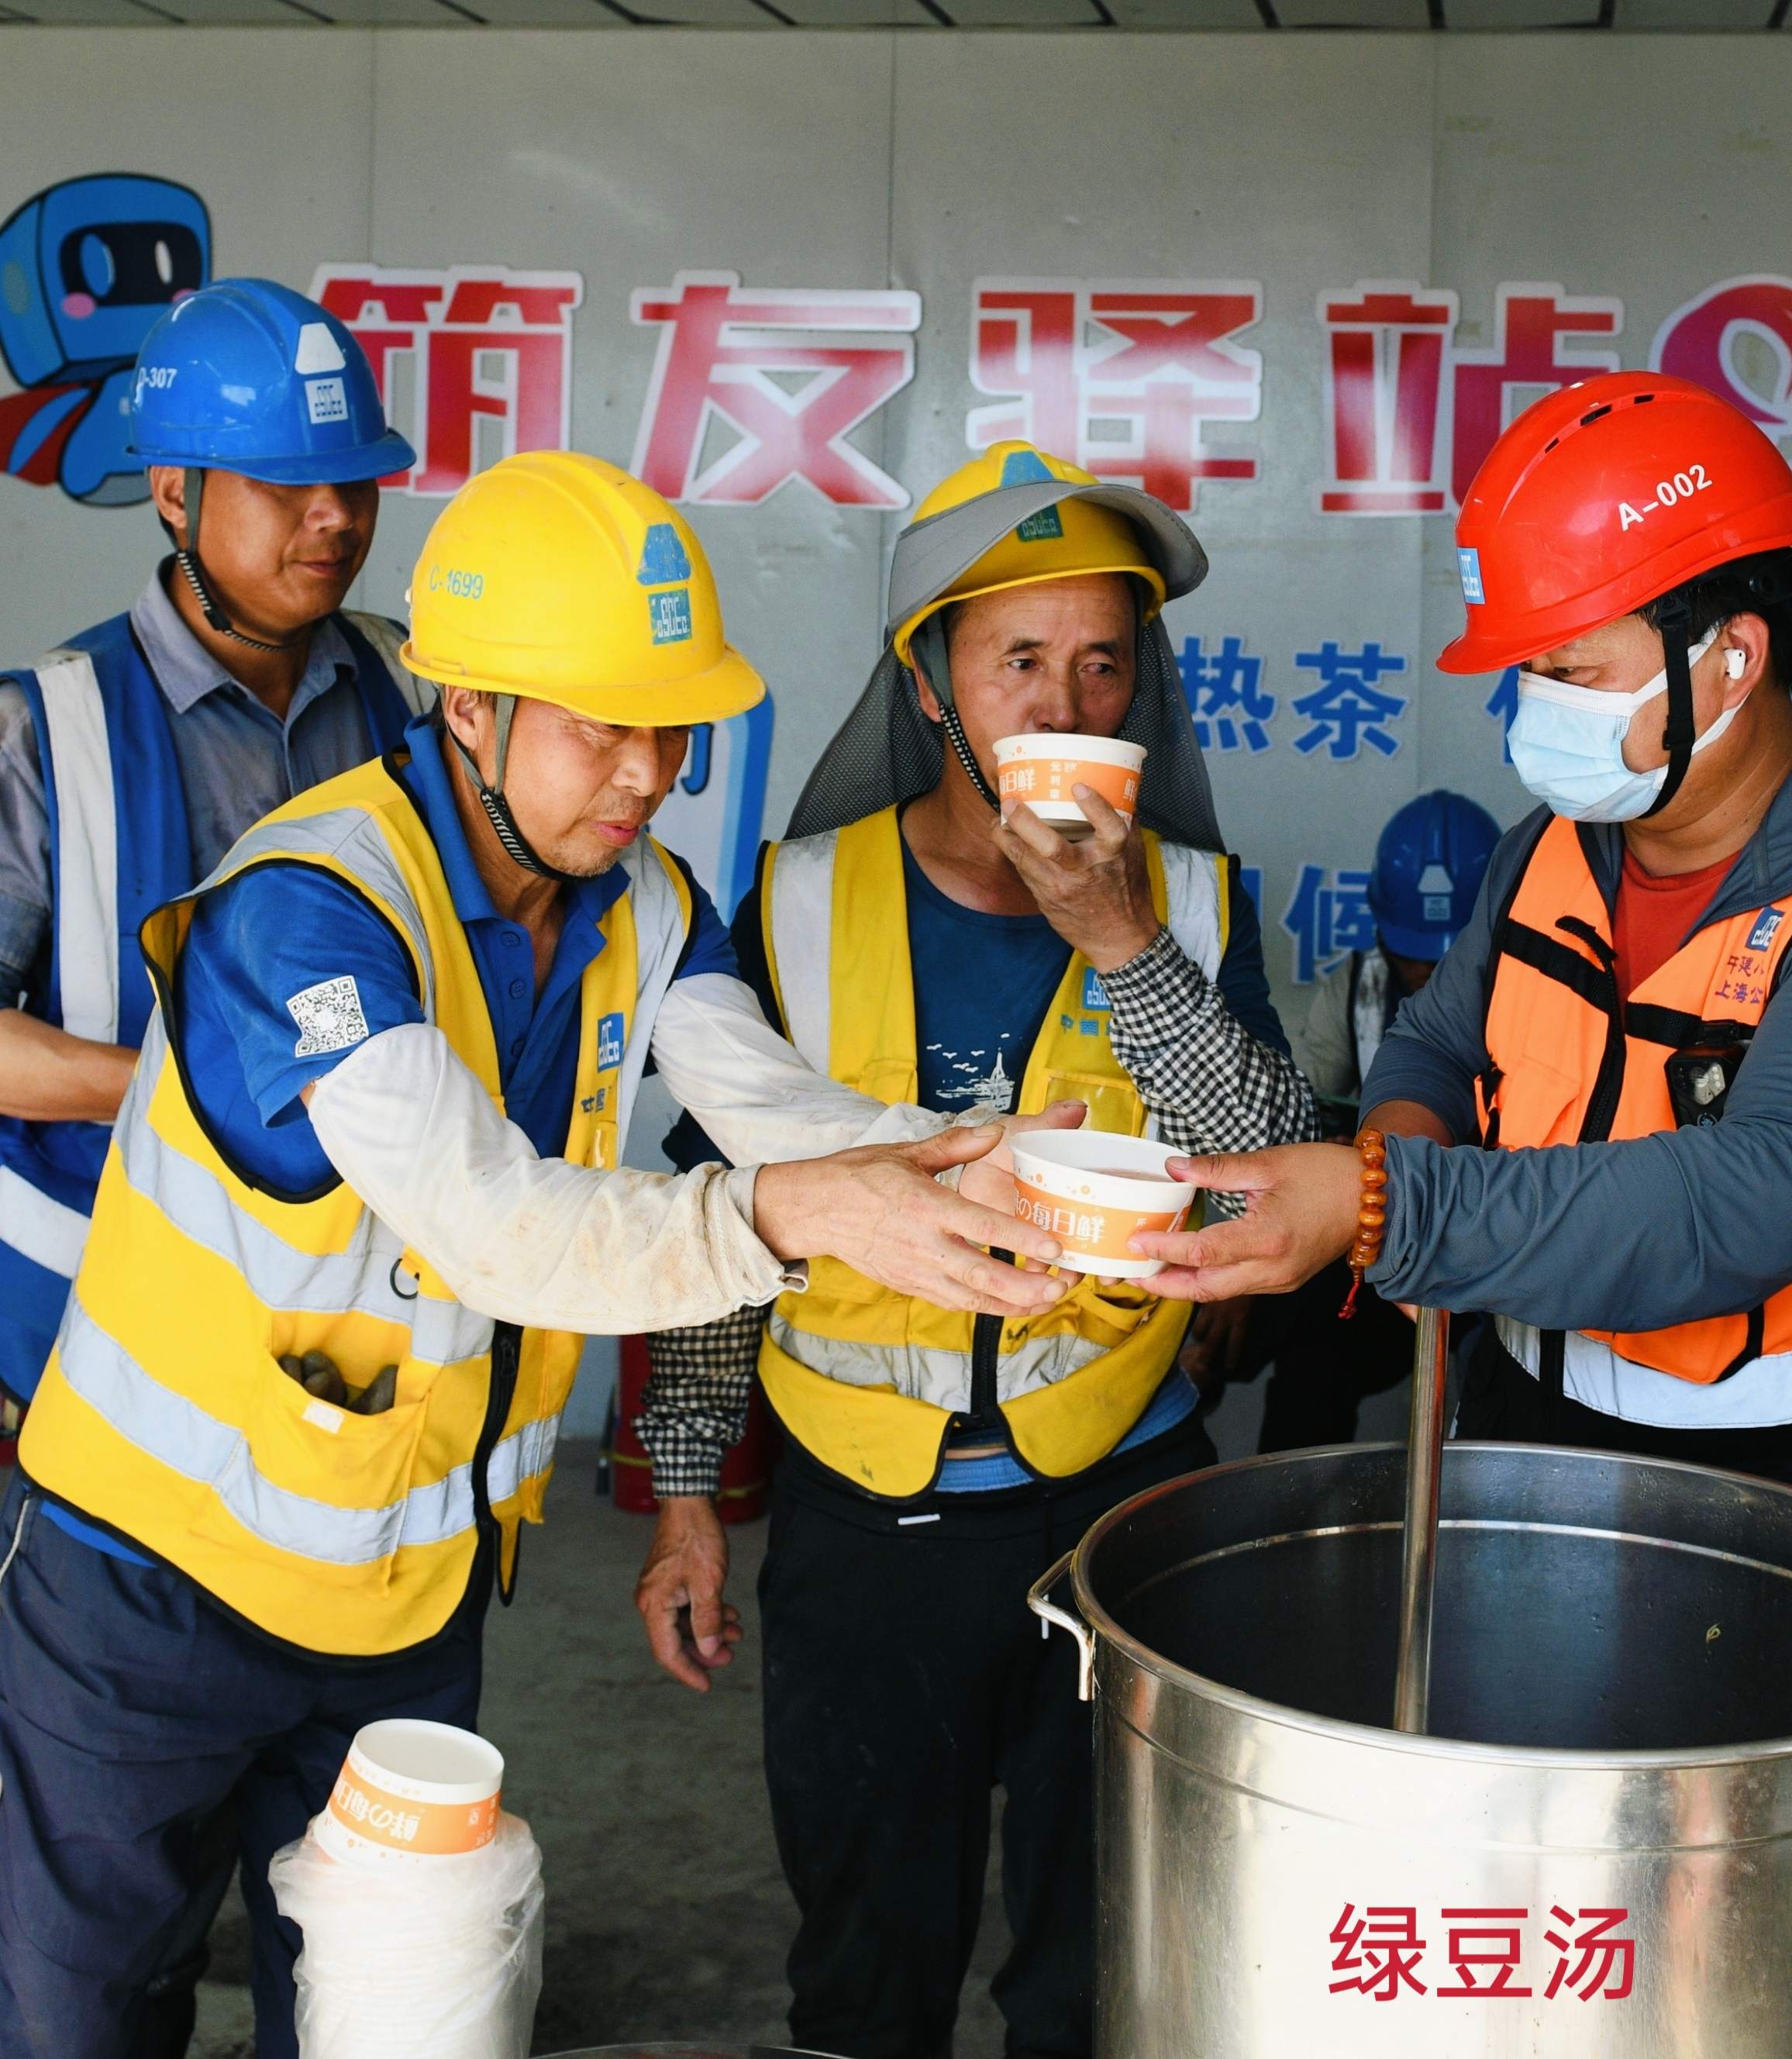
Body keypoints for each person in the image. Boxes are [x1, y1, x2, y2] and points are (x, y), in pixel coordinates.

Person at [0, 449, 1077, 2059]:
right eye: (600, 726)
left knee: (384, 2020)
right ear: (468, 709)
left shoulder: (640, 897)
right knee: (76, 2020)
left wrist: (958, 1158)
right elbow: (490, 1222)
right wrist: (789, 1214)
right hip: (148, 1594)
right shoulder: (308, 912)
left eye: (671, 727)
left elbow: (760, 1095)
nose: (646, 775)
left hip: (406, 1604)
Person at [1113, 371, 1792, 2054]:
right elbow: (1434, 1044)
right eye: (1527, 666)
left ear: (1729, 660)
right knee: (1574, 1967)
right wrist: (1399, 1137)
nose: (1531, 708)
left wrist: (1379, 1200)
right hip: (1559, 1492)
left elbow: (1725, 1210)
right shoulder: (1549, 852)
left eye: (1575, 668)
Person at [627, 441, 1313, 2059]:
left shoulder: (1193, 901)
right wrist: (686, 1491)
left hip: (1118, 1506)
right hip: (863, 1522)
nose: (1068, 703)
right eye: (1019, 660)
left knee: (1105, 1966)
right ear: (928, 681)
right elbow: (725, 1212)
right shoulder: (792, 902)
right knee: (868, 1966)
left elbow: (1270, 1175)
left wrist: (1117, 934)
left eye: (1104, 664)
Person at [0, 280, 426, 1416]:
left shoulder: (419, 693)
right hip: (101, 1315)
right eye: (285, 485)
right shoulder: (43, 729)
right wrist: (197, 1095)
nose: (335, 516)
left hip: (354, 1321)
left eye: (355, 480)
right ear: (173, 492)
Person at [1243, 787, 1501, 1452]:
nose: (1430, 975)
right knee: (1292, 1337)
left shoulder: (1537, 994)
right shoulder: (1356, 988)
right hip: (1377, 1240)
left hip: (1496, 1249)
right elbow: (1304, 1113)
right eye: (1415, 956)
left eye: (1449, 958)